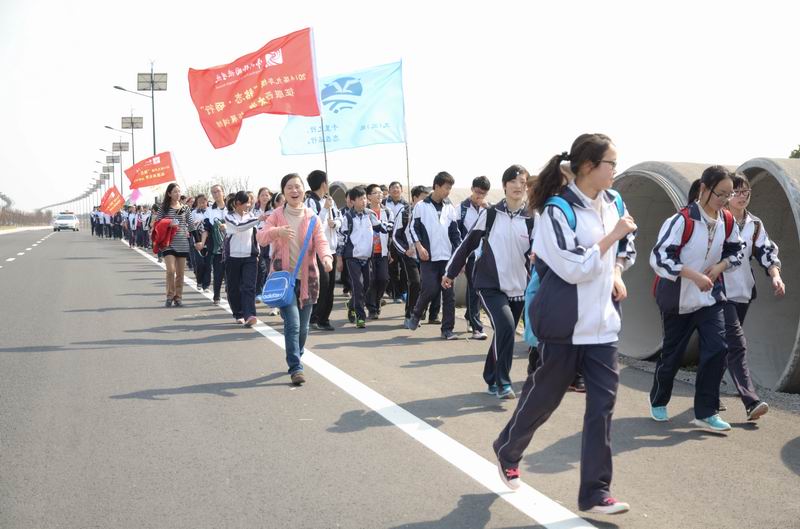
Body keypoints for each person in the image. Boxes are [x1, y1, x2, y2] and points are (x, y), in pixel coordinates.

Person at [493, 133, 637, 515]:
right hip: (565, 325)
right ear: (588, 166)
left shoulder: (615, 201)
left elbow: (627, 246)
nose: (615, 170)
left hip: (603, 326)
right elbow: (574, 268)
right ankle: (508, 449)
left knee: (602, 407)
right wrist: (612, 237)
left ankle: (596, 492)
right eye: (611, 163)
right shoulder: (557, 211)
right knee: (545, 397)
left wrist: (617, 271)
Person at [650, 165, 743, 432]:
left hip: (710, 298)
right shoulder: (681, 221)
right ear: (704, 188)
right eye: (720, 193)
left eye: (728, 194)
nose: (725, 200)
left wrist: (720, 266)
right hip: (678, 299)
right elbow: (659, 257)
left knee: (718, 348)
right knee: (672, 356)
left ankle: (706, 411)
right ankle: (659, 399)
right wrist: (693, 275)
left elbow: (737, 250)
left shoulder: (727, 220)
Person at [445, 166, 533, 399]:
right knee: (506, 327)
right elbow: (467, 244)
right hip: (489, 284)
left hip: (519, 286)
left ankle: (490, 376)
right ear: (504, 185)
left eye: (522, 182)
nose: (518, 186)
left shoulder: (532, 218)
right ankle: (503, 382)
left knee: (504, 332)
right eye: (513, 181)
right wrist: (450, 273)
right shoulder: (491, 214)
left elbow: (541, 251)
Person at [256, 174, 333, 385]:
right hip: (283, 281)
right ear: (283, 191)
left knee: (304, 328)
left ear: (303, 190)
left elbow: (321, 241)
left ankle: (297, 354)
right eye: (289, 187)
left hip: (308, 279)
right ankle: (296, 367)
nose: (294, 191)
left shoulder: (312, 217)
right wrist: (277, 231)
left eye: (297, 186)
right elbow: (261, 238)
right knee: (293, 324)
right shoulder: (276, 215)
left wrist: (326, 258)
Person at [720, 174, 784, 420]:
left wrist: (776, 276)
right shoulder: (717, 220)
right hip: (718, 292)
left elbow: (767, 252)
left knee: (723, 345)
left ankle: (707, 393)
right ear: (727, 195)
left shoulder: (754, 224)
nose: (742, 196)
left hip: (743, 292)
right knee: (736, 344)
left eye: (746, 191)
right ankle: (751, 401)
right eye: (736, 192)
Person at [407, 171, 462, 339]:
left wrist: (459, 256)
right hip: (428, 257)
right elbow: (413, 228)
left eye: (450, 189)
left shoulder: (450, 208)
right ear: (436, 186)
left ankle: (447, 329)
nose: (448, 192)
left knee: (449, 295)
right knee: (430, 288)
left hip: (447, 259)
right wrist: (419, 247)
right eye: (446, 188)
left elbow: (455, 234)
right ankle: (416, 313)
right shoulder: (421, 206)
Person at [339, 186, 388, 328]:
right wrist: (339, 258)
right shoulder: (348, 217)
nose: (364, 201)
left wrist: (389, 225)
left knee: (366, 285)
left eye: (365, 198)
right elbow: (342, 238)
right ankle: (360, 317)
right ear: (352, 201)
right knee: (358, 285)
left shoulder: (370, 214)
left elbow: (381, 227)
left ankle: (352, 304)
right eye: (361, 199)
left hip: (367, 257)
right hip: (352, 257)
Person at [155, 183, 203, 307]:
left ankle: (178, 297)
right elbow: (157, 223)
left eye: (179, 191)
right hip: (168, 243)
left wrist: (198, 240)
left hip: (182, 242)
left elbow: (191, 226)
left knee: (180, 274)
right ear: (169, 194)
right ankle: (169, 296)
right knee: (171, 270)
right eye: (175, 192)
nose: (178, 194)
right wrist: (168, 223)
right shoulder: (163, 208)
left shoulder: (185, 208)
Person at [305, 170, 341, 331]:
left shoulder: (329, 200)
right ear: (323, 183)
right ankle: (315, 317)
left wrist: (336, 223)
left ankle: (324, 318)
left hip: (331, 248)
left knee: (330, 286)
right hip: (318, 249)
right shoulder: (310, 202)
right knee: (323, 284)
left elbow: (339, 218)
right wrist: (325, 209)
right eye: (327, 181)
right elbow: (312, 224)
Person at [457, 176, 491, 340]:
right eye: (477, 192)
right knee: (474, 288)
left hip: (484, 255)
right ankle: (476, 327)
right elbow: (456, 235)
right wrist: (460, 260)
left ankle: (470, 316)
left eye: (483, 193)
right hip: (469, 255)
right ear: (472, 189)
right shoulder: (461, 209)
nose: (479, 196)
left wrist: (488, 210)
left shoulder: (489, 208)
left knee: (478, 288)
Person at [224, 191, 263, 327]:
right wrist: (258, 219)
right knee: (234, 287)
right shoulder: (229, 217)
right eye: (246, 203)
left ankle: (250, 315)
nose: (248, 205)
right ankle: (238, 313)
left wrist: (257, 253)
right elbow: (239, 227)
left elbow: (255, 236)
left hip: (249, 257)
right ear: (237, 203)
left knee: (249, 287)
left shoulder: (251, 216)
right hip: (233, 256)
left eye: (249, 203)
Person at [365, 184, 393, 320]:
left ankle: (377, 300)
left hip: (382, 251)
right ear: (369, 196)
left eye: (381, 192)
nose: (380, 194)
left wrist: (390, 251)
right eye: (376, 193)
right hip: (367, 252)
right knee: (371, 281)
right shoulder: (364, 212)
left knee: (383, 279)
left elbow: (391, 230)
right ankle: (372, 308)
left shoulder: (387, 211)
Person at [202, 184, 228, 305]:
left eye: (218, 191)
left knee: (232, 273)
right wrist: (202, 242)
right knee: (218, 272)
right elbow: (206, 229)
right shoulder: (209, 211)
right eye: (213, 192)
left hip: (232, 245)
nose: (216, 194)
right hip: (217, 246)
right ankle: (216, 295)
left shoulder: (232, 207)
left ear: (223, 192)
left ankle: (231, 293)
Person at [385, 181, 409, 302]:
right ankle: (396, 294)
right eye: (393, 188)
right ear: (389, 190)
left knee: (404, 267)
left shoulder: (406, 205)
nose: (395, 190)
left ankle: (403, 290)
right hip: (388, 238)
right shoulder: (384, 203)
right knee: (392, 266)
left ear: (402, 190)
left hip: (401, 238)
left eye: (397, 188)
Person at [253, 187, 273, 303]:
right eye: (262, 195)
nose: (265, 197)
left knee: (270, 267)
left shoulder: (274, 211)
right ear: (258, 197)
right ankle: (259, 292)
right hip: (258, 241)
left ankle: (269, 291)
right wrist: (259, 219)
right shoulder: (254, 211)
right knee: (261, 267)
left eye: (267, 195)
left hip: (271, 240)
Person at [192, 194, 210, 291]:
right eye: (199, 202)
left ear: (207, 202)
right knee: (200, 263)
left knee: (208, 263)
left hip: (209, 239)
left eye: (203, 202)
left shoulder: (210, 211)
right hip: (197, 239)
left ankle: (206, 285)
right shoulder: (193, 212)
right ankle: (199, 281)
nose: (202, 204)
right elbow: (189, 225)